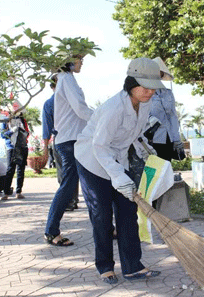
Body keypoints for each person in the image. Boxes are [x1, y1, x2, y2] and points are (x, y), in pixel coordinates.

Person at [74, 57, 164, 284]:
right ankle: (104, 266)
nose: (149, 92)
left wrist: (144, 150)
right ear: (130, 84)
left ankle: (133, 266)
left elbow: (130, 135)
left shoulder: (145, 103)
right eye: (144, 87)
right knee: (102, 216)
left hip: (117, 159)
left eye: (153, 87)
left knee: (127, 212)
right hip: (92, 161)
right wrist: (116, 175)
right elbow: (99, 145)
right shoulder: (113, 107)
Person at [44, 53, 93, 246]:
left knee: (91, 184)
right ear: (70, 62)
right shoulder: (66, 79)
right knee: (69, 186)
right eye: (80, 59)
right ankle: (51, 230)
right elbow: (81, 110)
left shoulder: (67, 79)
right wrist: (104, 117)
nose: (82, 62)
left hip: (76, 139)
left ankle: (106, 227)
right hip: (70, 141)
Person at [42, 75, 78, 211]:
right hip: (75, 138)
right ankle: (72, 199)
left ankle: (68, 202)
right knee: (73, 171)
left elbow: (47, 127)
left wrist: (45, 147)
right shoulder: (71, 99)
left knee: (63, 172)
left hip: (61, 139)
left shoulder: (49, 103)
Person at [149, 57, 185, 161]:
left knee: (166, 169)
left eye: (159, 74)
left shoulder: (167, 93)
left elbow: (172, 116)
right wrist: (150, 119)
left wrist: (177, 139)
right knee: (152, 173)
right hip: (151, 139)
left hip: (168, 138)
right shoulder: (144, 93)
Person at [0, 108, 29, 200]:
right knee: (10, 170)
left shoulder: (22, 120)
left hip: (22, 146)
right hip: (11, 147)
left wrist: (22, 131)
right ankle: (6, 192)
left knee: (21, 170)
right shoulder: (5, 121)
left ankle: (19, 191)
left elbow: (27, 132)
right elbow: (2, 135)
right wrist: (12, 131)